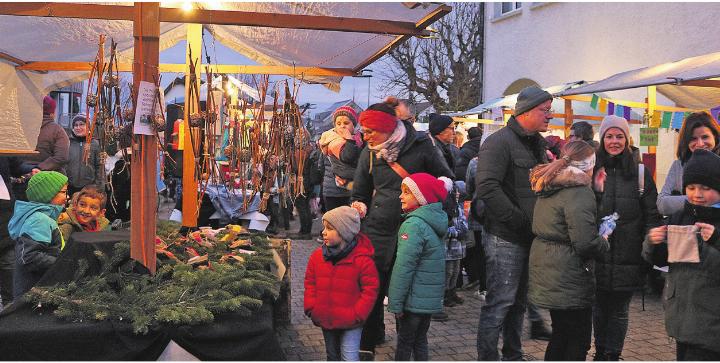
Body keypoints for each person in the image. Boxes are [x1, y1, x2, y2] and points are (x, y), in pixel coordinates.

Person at [351, 100, 453, 359]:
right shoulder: (369, 152)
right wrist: (359, 207)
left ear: (386, 127)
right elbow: (360, 191)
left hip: (415, 228)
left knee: (407, 288)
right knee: (372, 286)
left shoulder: (421, 145)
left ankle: (407, 343)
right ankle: (369, 339)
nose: (365, 135)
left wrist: (437, 214)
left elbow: (444, 179)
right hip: (378, 229)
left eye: (370, 130)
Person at [475, 86, 552, 361]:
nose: (549, 116)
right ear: (527, 111)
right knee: (500, 303)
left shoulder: (537, 144)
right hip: (505, 236)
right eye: (545, 110)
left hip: (528, 236)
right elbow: (487, 187)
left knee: (519, 303)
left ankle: (513, 354)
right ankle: (488, 357)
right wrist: (519, 220)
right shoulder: (498, 142)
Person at [528, 141, 610, 361]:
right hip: (569, 272)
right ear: (588, 165)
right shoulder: (578, 191)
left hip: (550, 267)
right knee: (577, 340)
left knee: (561, 334)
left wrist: (597, 192)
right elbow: (585, 242)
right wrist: (603, 241)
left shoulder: (551, 182)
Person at [591, 115, 661, 361]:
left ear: (627, 139)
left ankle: (612, 355)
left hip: (628, 253)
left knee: (619, 310)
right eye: (609, 136)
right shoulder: (592, 169)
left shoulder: (640, 172)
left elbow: (651, 213)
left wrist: (648, 249)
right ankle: (599, 352)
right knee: (599, 309)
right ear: (602, 139)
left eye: (619, 136)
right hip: (598, 253)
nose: (614, 141)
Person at [643, 149, 720, 361]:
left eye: (706, 188)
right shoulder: (680, 216)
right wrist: (654, 242)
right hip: (681, 321)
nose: (698, 194)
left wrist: (715, 240)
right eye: (691, 187)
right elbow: (662, 259)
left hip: (711, 325)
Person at [304, 206, 379, 361]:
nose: (323, 232)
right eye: (324, 227)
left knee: (349, 357)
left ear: (345, 232)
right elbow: (310, 283)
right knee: (332, 356)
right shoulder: (317, 257)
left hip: (351, 321)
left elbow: (370, 290)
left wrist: (358, 314)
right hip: (326, 317)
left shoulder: (363, 260)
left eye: (330, 228)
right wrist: (312, 306)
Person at [388, 173, 448, 361]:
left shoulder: (413, 225)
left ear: (421, 197)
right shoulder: (433, 222)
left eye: (406, 192)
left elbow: (403, 268)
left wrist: (395, 303)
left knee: (405, 344)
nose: (400, 196)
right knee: (420, 341)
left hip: (412, 302)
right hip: (427, 301)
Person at [8, 171, 68, 299]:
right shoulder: (39, 220)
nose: (66, 197)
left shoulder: (45, 216)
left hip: (38, 288)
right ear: (48, 194)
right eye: (63, 192)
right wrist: (62, 262)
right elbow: (30, 257)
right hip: (33, 291)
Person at [657, 111, 720, 216]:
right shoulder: (679, 166)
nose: (700, 143)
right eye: (693, 139)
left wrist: (678, 201)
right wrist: (697, 198)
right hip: (686, 229)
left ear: (715, 137)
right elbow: (662, 204)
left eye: (705, 137)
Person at [319, 106, 364, 210]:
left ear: (354, 124)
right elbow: (348, 156)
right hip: (334, 191)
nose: (342, 126)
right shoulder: (332, 140)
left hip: (353, 190)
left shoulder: (360, 138)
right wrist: (349, 139)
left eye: (346, 123)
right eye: (338, 124)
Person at [0, 156, 24, 307]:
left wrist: (35, 168)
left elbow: (17, 165)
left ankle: (9, 307)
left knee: (8, 264)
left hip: (6, 219)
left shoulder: (4, 148)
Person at [27, 96, 70, 174]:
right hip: (48, 178)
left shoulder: (22, 128)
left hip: (20, 175)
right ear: (52, 113)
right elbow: (61, 157)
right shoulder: (58, 130)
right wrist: (40, 168)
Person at [66, 114, 105, 196]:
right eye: (75, 125)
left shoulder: (94, 143)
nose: (78, 127)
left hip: (89, 187)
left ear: (88, 127)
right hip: (70, 186)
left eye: (81, 124)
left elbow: (99, 166)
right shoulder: (68, 143)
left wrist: (99, 187)